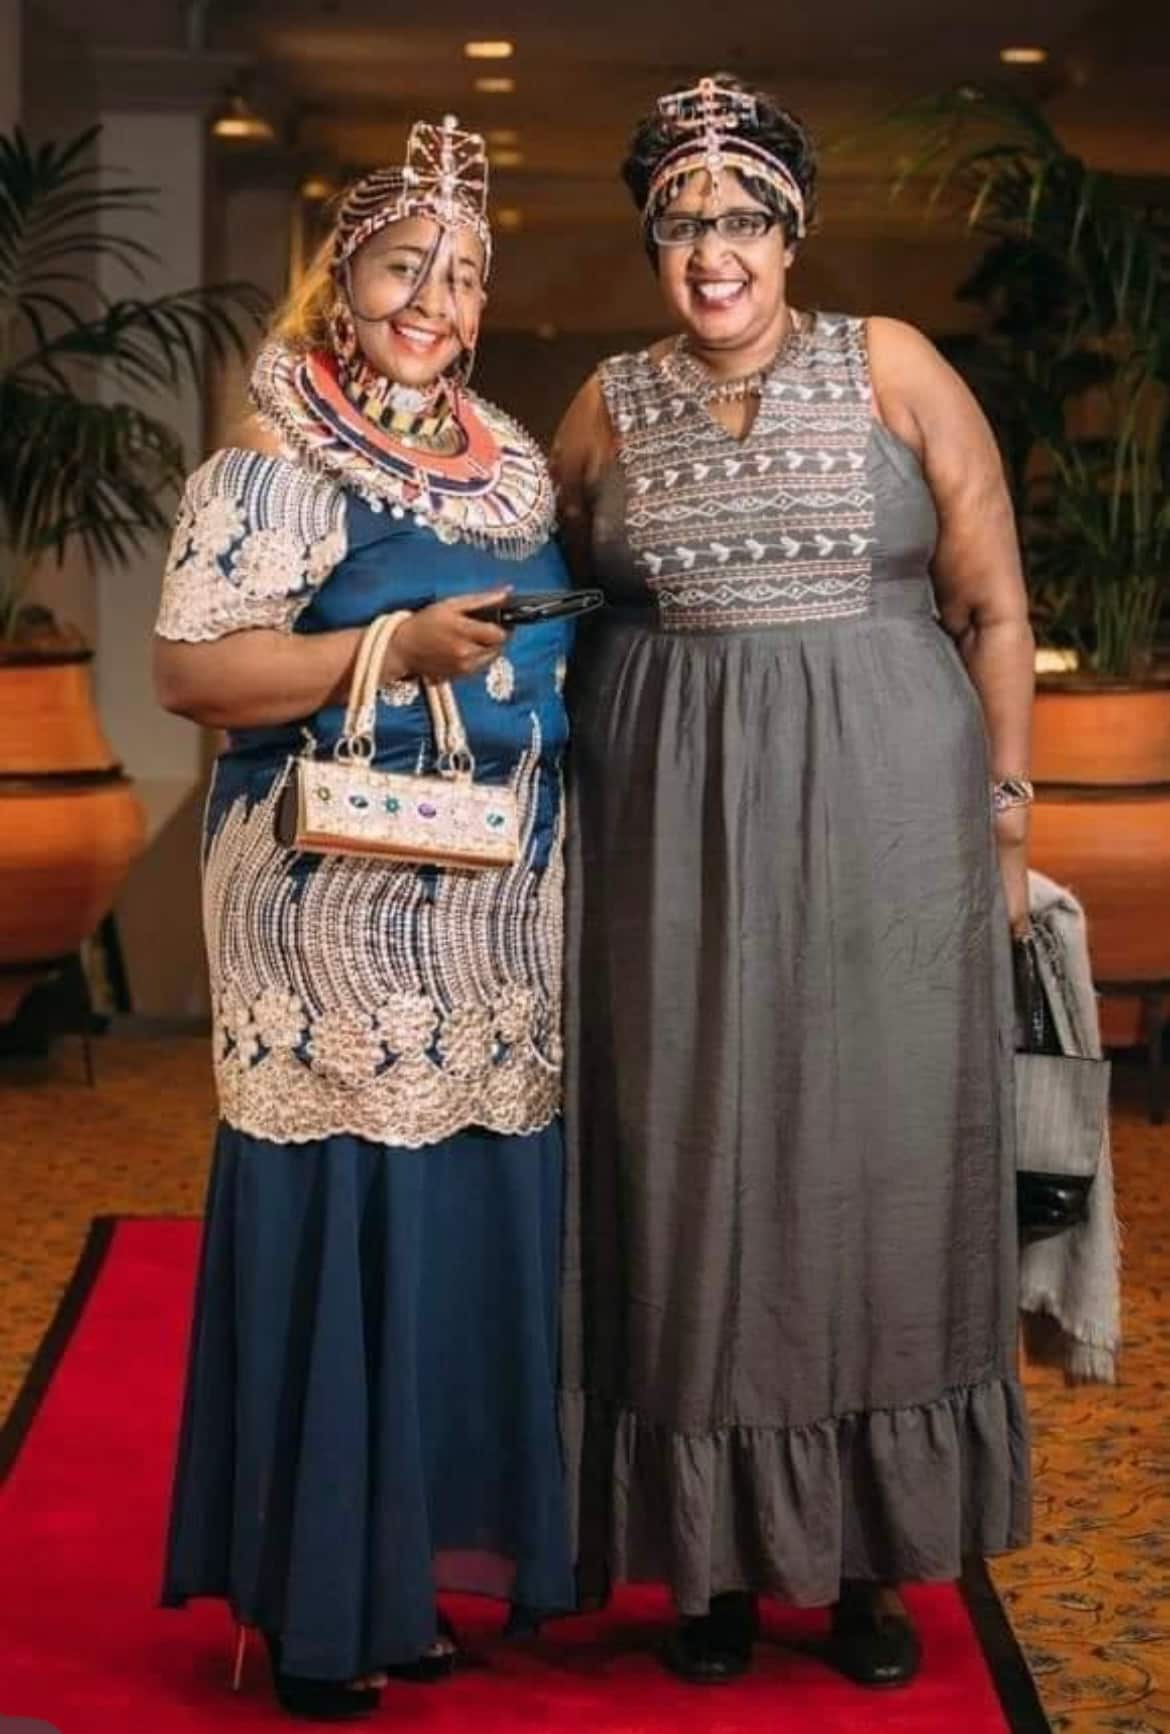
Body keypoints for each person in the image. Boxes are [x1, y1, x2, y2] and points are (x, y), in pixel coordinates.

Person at [553, 75, 1033, 1690]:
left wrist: (1012, 816)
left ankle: (864, 1571)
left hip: (888, 832)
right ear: (652, 241)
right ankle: (710, 1564)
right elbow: (542, 595)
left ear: (791, 230)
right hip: (669, 838)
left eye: (740, 218)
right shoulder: (609, 402)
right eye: (680, 222)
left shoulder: (891, 361)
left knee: (874, 1163)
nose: (711, 251)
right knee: (688, 1161)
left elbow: (992, 602)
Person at [154, 114, 575, 1720]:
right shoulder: (268, 461)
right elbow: (192, 672)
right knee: (348, 1230)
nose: (436, 297)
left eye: (462, 274)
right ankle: (322, 1598)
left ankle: (412, 1576)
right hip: (331, 919)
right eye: (407, 264)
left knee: (464, 1229)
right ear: (342, 282)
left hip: (494, 917)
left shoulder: (507, 459)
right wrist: (386, 652)